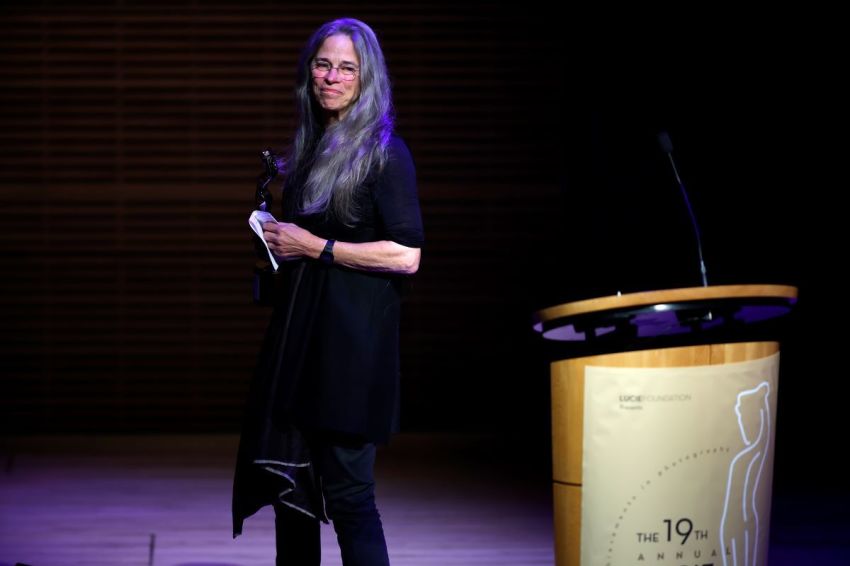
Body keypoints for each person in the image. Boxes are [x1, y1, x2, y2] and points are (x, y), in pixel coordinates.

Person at [232, 17, 424, 566]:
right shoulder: (314, 150)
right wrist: (277, 241)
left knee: (348, 498)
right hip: (300, 343)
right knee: (292, 498)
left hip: (349, 353)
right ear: (308, 73)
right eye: (323, 64)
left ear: (368, 79)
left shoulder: (385, 152)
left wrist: (314, 246)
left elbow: (406, 255)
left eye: (347, 67)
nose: (332, 76)